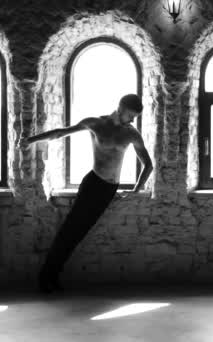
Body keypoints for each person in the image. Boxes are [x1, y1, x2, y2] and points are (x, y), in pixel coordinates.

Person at [19, 94, 153, 293]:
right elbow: (60, 133)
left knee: (79, 233)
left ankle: (51, 276)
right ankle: (47, 278)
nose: (132, 120)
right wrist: (30, 140)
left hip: (109, 190)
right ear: (121, 108)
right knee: (70, 230)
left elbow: (148, 165)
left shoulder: (131, 133)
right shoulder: (96, 124)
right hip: (93, 184)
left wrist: (137, 188)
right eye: (131, 115)